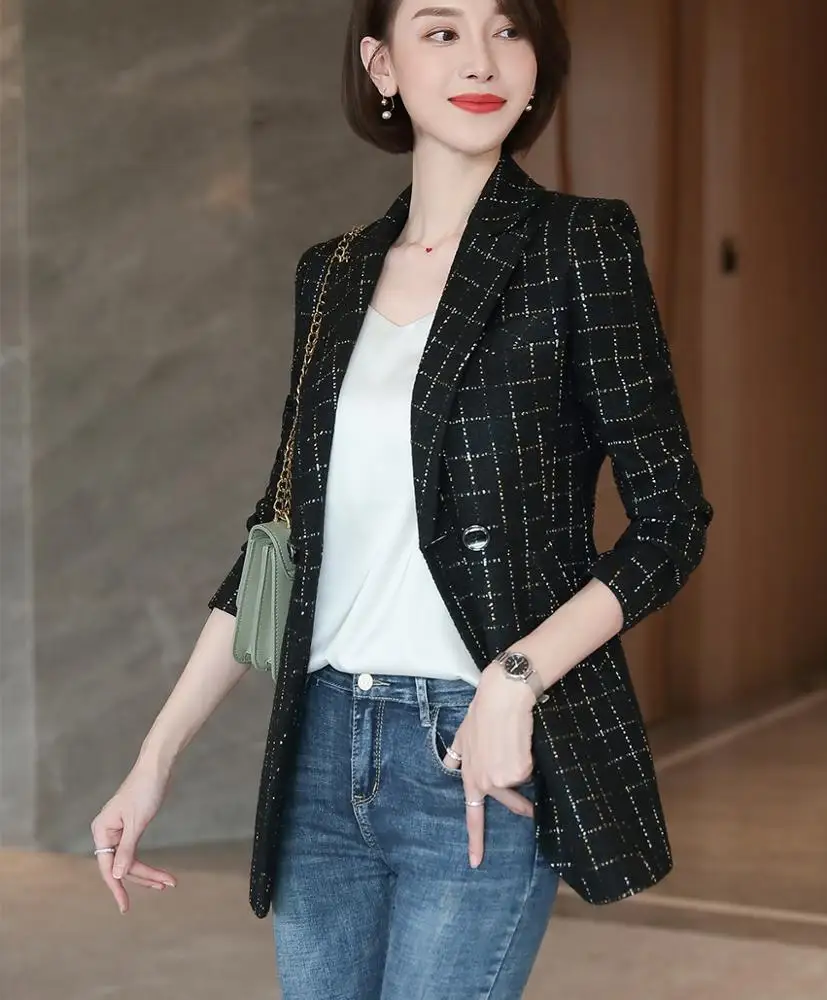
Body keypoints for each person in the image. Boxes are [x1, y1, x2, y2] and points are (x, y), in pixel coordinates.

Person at [90, 0, 712, 996]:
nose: (482, 60)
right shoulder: (332, 276)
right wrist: (154, 757)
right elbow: (278, 543)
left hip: (472, 748)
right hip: (321, 749)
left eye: (507, 29)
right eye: (441, 30)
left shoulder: (578, 247)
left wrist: (517, 677)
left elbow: (672, 520)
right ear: (381, 65)